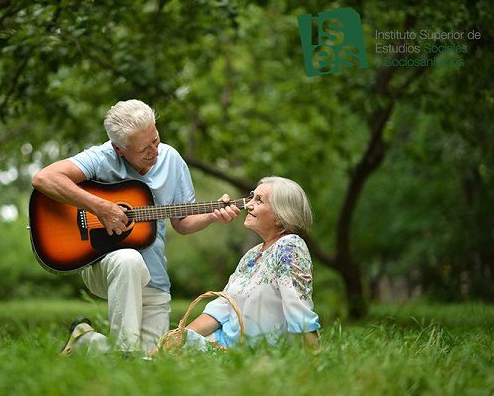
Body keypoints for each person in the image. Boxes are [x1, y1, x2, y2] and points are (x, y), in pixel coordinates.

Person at [32, 99, 240, 353]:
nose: (154, 151)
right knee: (128, 260)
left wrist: (212, 215)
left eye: (155, 139)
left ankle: (86, 340)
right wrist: (100, 207)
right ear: (119, 149)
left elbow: (182, 223)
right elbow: (44, 178)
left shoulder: (171, 160)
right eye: (144, 148)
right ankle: (125, 352)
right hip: (106, 268)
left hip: (155, 278)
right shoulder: (101, 158)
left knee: (153, 360)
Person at [159, 176, 320, 352]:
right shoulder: (252, 254)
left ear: (280, 217)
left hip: (254, 353)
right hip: (222, 344)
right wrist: (177, 338)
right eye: (252, 197)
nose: (248, 205)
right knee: (165, 350)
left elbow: (299, 310)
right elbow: (221, 308)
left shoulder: (290, 246)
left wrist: (315, 360)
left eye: (259, 200)